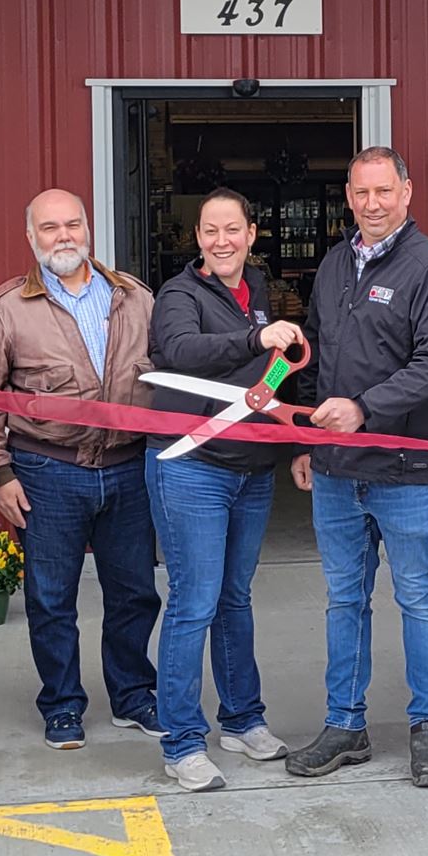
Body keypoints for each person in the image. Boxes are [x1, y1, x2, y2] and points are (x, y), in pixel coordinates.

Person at [283, 147, 428, 789]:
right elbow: (313, 356)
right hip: (335, 469)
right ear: (348, 195)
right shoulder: (335, 265)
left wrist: (364, 409)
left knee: (418, 598)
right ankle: (346, 725)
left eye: (383, 191)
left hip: (406, 469)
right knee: (344, 600)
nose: (371, 204)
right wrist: (305, 438)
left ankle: (425, 729)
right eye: (360, 193)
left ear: (407, 192)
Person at [0, 190, 161, 751]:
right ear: (31, 238)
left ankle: (133, 695)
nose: (63, 236)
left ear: (88, 229)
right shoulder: (3, 310)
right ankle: (61, 704)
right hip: (47, 472)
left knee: (135, 593)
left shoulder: (135, 298)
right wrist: (0, 474)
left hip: (128, 468)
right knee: (51, 598)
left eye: (71, 224)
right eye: (49, 227)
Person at [144, 188, 302, 791]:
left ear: (251, 233)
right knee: (193, 602)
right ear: (198, 238)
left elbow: (266, 380)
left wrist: (292, 436)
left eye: (232, 229)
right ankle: (182, 742)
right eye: (210, 231)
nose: (221, 241)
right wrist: (253, 342)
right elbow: (181, 352)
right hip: (193, 466)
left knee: (234, 598)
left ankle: (240, 719)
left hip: (251, 468)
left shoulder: (255, 290)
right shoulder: (179, 294)